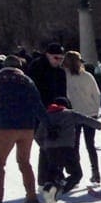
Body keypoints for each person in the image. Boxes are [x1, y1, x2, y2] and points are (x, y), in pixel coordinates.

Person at [0, 54, 46, 203]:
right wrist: (48, 123)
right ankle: (32, 198)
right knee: (24, 162)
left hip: (5, 127)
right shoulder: (27, 81)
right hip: (27, 128)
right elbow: (38, 104)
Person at [35, 96, 101, 203]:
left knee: (54, 172)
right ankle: (58, 190)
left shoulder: (46, 116)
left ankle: (50, 187)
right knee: (77, 174)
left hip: (50, 151)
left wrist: (45, 146)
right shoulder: (70, 114)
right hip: (67, 149)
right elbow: (87, 120)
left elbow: (38, 136)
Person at [27, 42, 67, 185]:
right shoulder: (36, 68)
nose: (59, 61)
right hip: (39, 112)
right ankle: (45, 177)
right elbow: (31, 93)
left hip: (56, 112)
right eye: (56, 58)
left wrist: (64, 108)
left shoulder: (60, 72)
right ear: (48, 55)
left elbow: (63, 92)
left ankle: (55, 174)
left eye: (62, 59)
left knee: (56, 144)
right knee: (45, 145)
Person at [63, 50, 101, 184]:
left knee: (74, 145)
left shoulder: (65, 77)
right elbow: (96, 94)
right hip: (90, 113)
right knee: (90, 145)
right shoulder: (87, 76)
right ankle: (95, 172)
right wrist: (95, 111)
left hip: (73, 114)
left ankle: (76, 172)